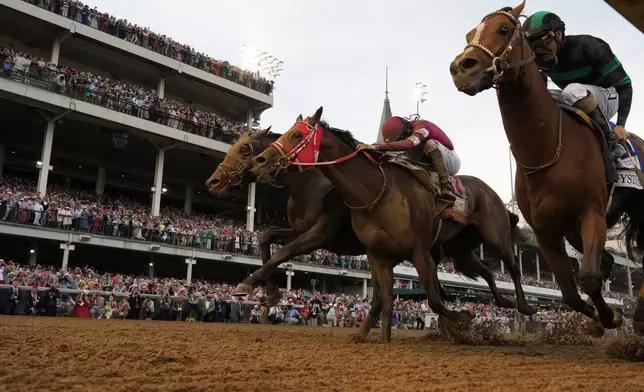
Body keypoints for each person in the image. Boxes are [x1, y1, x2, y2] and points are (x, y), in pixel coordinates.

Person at [522, 11, 633, 183]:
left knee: (571, 90)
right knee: (546, 96)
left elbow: (625, 85)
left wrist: (620, 124)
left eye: (543, 43)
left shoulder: (589, 45)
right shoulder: (540, 60)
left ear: (558, 35)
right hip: (576, 98)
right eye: (532, 46)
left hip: (609, 96)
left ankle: (612, 144)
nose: (539, 51)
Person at [356, 116, 460, 201]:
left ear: (405, 130)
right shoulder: (406, 129)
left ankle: (446, 185)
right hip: (431, 161)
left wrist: (377, 146)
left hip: (451, 160)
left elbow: (408, 143)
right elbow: (387, 146)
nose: (401, 140)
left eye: (401, 138)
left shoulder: (422, 126)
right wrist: (369, 146)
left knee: (429, 144)